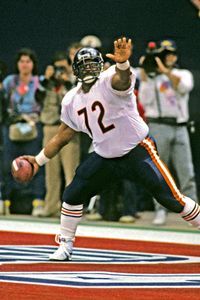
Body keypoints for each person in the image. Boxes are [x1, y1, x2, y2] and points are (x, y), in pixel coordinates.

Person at [23, 37, 200, 261]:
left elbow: (123, 80)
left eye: (92, 64)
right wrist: (37, 161)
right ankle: (65, 245)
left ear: (100, 65)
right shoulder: (71, 100)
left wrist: (124, 64)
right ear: (76, 70)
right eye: (83, 66)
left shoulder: (109, 79)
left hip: (137, 150)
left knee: (172, 199)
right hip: (105, 157)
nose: (88, 69)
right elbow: (62, 136)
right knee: (72, 194)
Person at [138, 39, 198, 225]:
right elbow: (144, 101)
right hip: (158, 126)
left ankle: (194, 212)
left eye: (173, 54)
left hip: (180, 127)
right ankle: (160, 210)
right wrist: (145, 75)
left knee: (186, 172)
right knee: (159, 172)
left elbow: (184, 87)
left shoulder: (183, 73)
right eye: (166, 55)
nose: (170, 57)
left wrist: (165, 72)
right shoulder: (152, 78)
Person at [0, 48, 45, 215]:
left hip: (34, 128)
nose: (25, 64)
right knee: (6, 165)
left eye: (28, 61)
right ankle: (3, 201)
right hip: (12, 127)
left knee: (36, 163)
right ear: (17, 64)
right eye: (22, 61)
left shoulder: (40, 81)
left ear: (33, 64)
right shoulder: (10, 81)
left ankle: (38, 202)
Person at [35, 51, 80, 217]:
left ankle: (73, 208)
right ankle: (51, 206)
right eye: (56, 67)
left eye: (63, 66)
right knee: (50, 172)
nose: (59, 71)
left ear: (69, 66)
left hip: (69, 129)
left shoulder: (75, 81)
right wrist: (47, 78)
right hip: (49, 127)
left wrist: (67, 82)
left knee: (71, 172)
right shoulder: (45, 83)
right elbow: (37, 98)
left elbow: (79, 100)